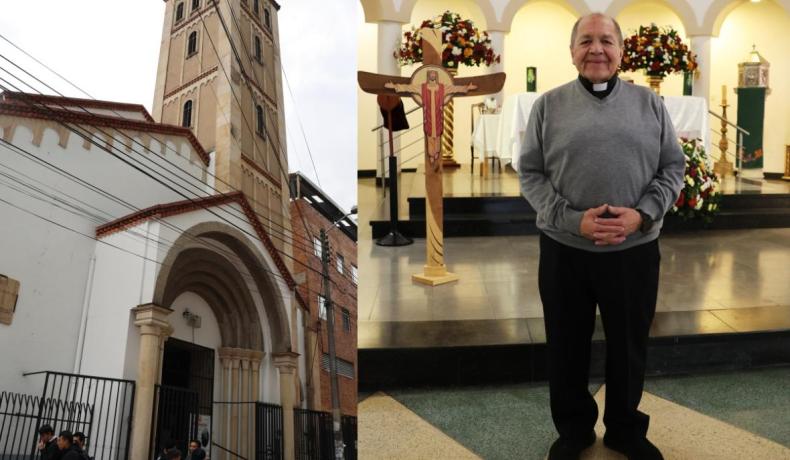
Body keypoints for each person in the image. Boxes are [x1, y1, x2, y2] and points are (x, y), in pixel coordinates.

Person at [518, 12, 685, 460]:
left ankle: (625, 429)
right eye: (586, 41)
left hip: (634, 250)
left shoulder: (650, 104)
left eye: (607, 41)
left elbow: (674, 167)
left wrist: (643, 215)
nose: (597, 49)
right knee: (566, 344)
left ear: (621, 51)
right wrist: (573, 220)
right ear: (571, 51)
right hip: (565, 249)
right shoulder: (548, 106)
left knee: (629, 346)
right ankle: (573, 430)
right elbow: (530, 173)